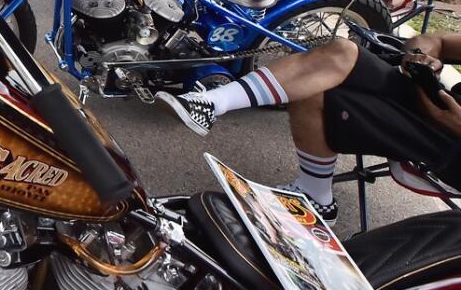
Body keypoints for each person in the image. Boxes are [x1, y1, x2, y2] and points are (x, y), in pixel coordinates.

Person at [156, 34, 461, 224]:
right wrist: (421, 55)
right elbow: (438, 40)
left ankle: (315, 193)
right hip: (429, 97)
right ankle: (212, 104)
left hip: (450, 144)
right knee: (342, 51)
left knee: (316, 87)